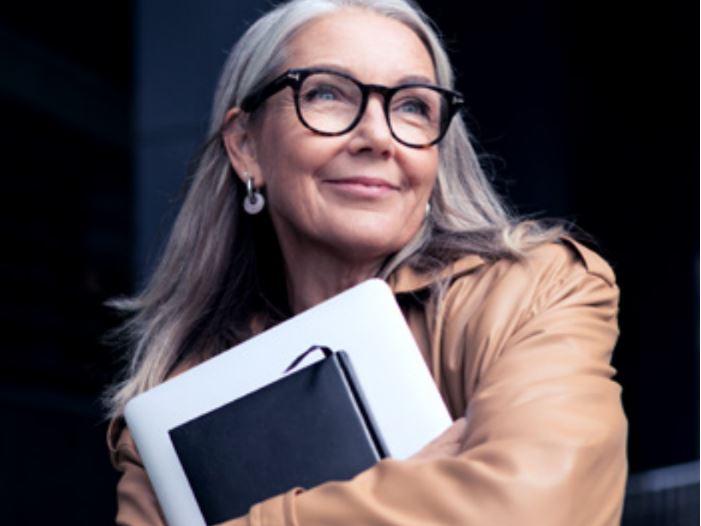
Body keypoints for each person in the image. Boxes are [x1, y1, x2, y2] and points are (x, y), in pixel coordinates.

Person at [105, 0, 627, 524]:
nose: (378, 137)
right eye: (326, 93)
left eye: (412, 106)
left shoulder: (535, 291)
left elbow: (533, 511)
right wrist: (430, 488)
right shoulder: (172, 407)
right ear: (246, 147)